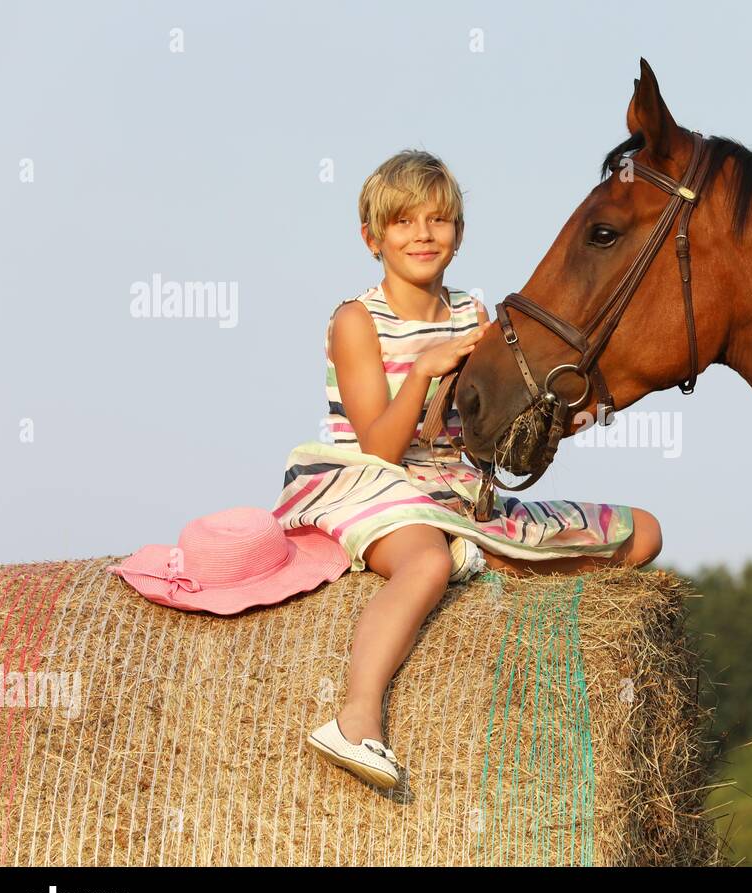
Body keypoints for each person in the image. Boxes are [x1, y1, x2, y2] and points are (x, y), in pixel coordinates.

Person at [274, 149, 662, 790]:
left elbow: (485, 439)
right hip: (376, 485)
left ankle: (479, 553)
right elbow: (380, 446)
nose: (422, 235)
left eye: (437, 221)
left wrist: (559, 417)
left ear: (458, 235)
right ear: (373, 238)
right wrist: (425, 371)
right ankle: (356, 716)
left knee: (642, 533)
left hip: (461, 493)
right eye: (402, 223)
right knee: (425, 561)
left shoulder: (476, 319)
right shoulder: (356, 322)